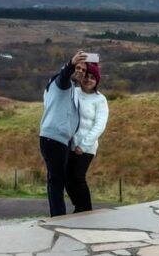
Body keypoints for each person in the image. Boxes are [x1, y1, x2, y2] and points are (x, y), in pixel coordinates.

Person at [39, 50, 86, 217]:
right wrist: (71, 63)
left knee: (60, 179)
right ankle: (58, 216)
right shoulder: (61, 84)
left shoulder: (72, 89)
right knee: (56, 180)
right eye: (78, 68)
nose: (80, 72)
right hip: (53, 138)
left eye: (83, 70)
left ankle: (60, 214)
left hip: (61, 140)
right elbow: (64, 75)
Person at [66, 61, 108, 212]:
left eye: (93, 77)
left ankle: (85, 209)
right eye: (86, 76)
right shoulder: (74, 92)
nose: (88, 79)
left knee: (77, 177)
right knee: (66, 179)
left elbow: (99, 125)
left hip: (86, 147)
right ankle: (79, 208)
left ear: (96, 81)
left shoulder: (100, 99)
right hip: (68, 143)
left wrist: (83, 145)